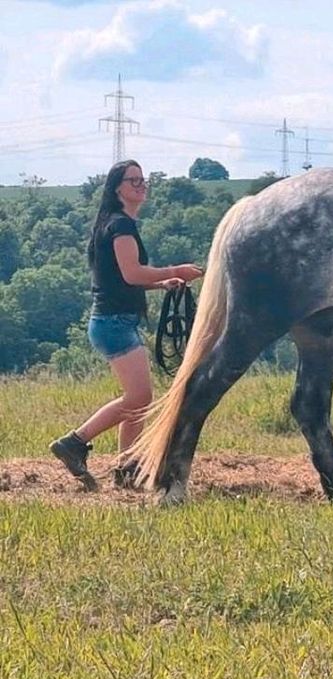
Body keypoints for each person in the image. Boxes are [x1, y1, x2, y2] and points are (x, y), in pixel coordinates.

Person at [49, 160, 204, 490]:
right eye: (133, 181)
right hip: (114, 323)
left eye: (142, 180)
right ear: (117, 188)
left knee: (136, 402)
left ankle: (126, 466)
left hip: (113, 321)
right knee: (139, 398)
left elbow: (122, 278)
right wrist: (174, 269)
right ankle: (75, 443)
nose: (140, 186)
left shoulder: (114, 224)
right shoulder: (121, 226)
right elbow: (132, 273)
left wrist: (161, 285)